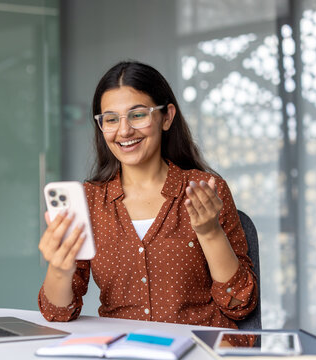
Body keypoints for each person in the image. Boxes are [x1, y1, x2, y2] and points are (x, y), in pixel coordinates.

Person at [38, 60, 258, 329]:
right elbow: (58, 314)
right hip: (123, 349)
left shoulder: (206, 190)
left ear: (166, 117)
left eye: (138, 115)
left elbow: (239, 305)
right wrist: (59, 269)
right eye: (110, 119)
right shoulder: (91, 202)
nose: (124, 130)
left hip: (198, 348)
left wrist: (211, 233)